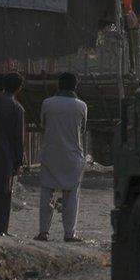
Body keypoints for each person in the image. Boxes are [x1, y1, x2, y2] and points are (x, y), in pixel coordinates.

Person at [34, 73, 88, 242]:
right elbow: (83, 129)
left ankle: (43, 232)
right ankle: (69, 233)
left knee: (46, 193)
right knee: (71, 195)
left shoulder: (48, 103)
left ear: (58, 85)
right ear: (75, 86)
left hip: (51, 154)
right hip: (72, 156)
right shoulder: (81, 106)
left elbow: (43, 124)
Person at [0, 73, 25, 237]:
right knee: (2, 194)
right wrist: (19, 160)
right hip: (4, 155)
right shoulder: (17, 108)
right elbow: (17, 138)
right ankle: (0, 229)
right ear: (18, 88)